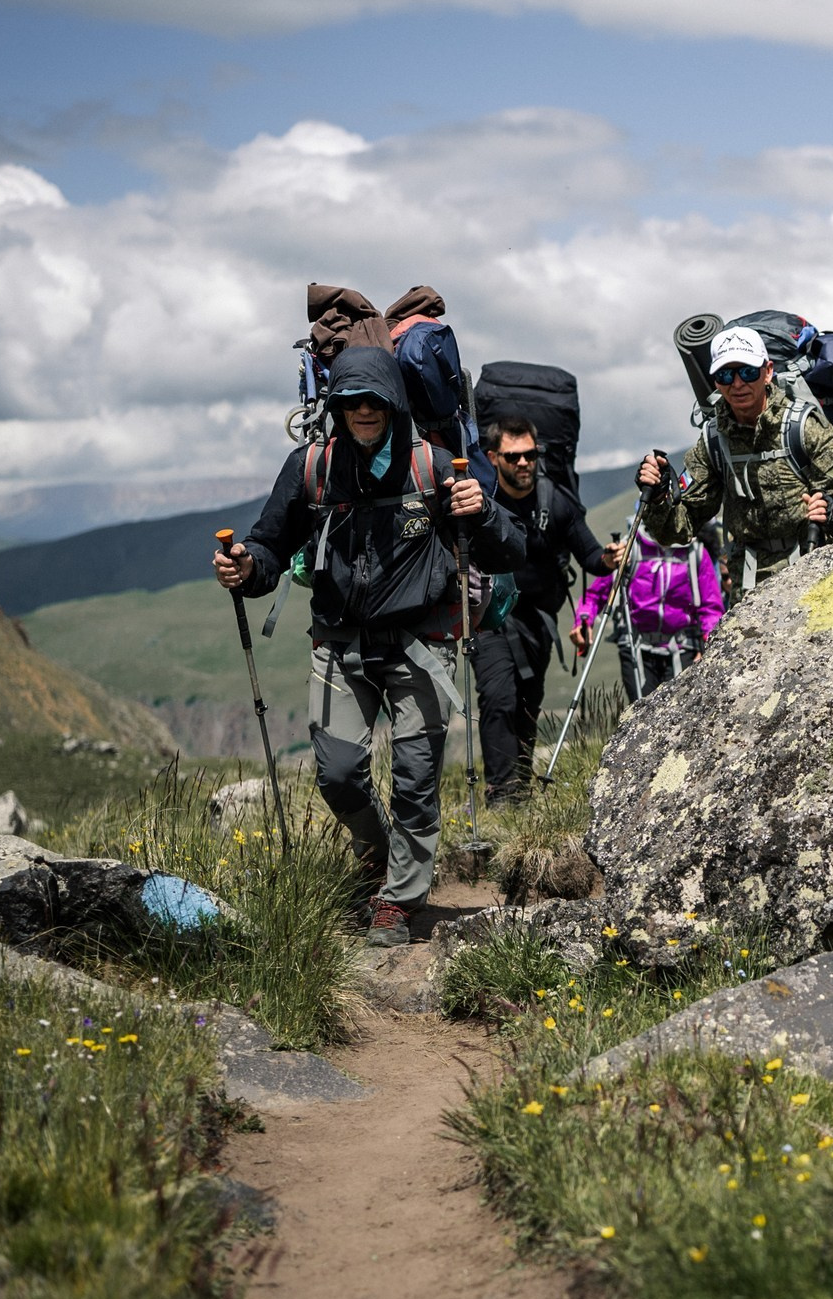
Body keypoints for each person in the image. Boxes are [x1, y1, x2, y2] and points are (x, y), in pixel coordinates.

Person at [213, 345, 519, 945]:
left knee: (415, 777)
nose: (363, 410)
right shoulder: (311, 468)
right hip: (339, 641)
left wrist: (482, 512)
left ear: (394, 403)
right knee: (339, 774)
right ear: (336, 406)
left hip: (421, 643)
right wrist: (246, 568)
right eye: (351, 400)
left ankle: (398, 902)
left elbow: (510, 550)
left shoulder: (434, 467)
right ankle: (379, 854)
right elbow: (270, 545)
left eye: (374, 400)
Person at [634, 324, 833, 599]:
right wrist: (659, 499)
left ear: (768, 371)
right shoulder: (714, 441)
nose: (737, 384)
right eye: (726, 375)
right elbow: (679, 529)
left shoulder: (802, 427)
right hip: (750, 590)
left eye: (748, 372)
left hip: (817, 574)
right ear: (716, 381)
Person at [472, 416, 617, 803]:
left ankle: (519, 787)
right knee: (498, 696)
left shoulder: (555, 501)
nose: (523, 463)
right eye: (513, 456)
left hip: (539, 620)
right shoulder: (481, 500)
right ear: (493, 457)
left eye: (530, 455)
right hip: (490, 617)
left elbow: (590, 555)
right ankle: (501, 795)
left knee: (527, 702)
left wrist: (609, 558)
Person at [573, 529, 725, 699]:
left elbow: (710, 608)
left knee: (678, 711)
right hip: (636, 648)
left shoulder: (695, 552)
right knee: (641, 711)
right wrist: (583, 620)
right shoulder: (629, 550)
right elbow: (595, 595)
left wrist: (710, 647)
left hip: (683, 649)